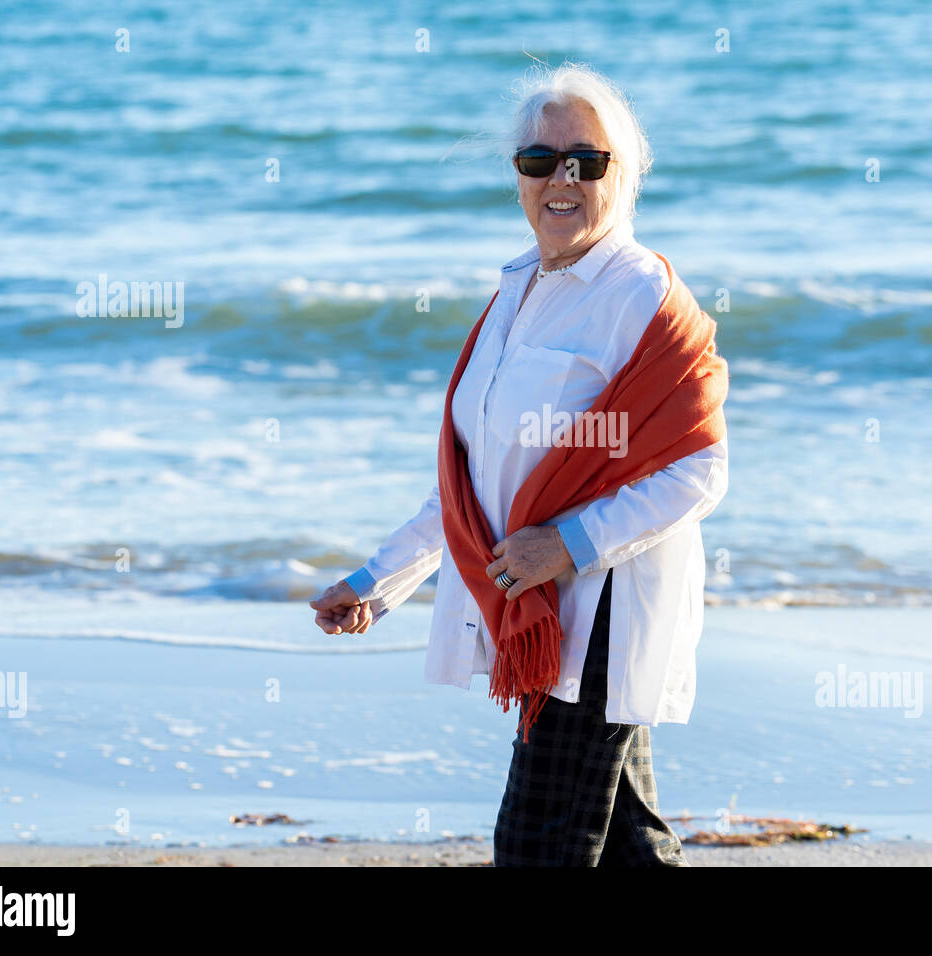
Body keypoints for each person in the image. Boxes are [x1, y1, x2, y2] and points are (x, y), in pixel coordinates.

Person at [310, 62, 729, 867]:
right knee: (626, 846)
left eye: (587, 160)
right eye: (539, 160)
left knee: (539, 844)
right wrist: (375, 583)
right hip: (543, 609)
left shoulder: (642, 295)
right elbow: (476, 488)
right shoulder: (514, 292)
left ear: (624, 173)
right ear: (518, 176)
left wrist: (567, 545)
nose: (560, 179)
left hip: (604, 610)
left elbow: (697, 469)